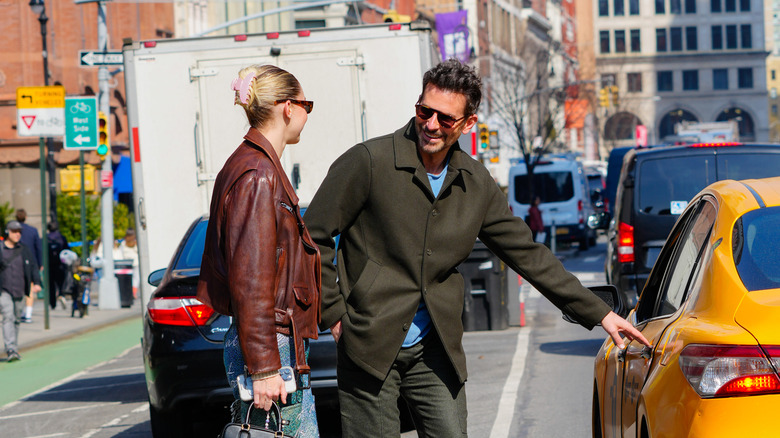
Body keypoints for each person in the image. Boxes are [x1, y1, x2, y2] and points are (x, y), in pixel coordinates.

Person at [303, 59, 650, 437]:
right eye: (425, 111)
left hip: (435, 349)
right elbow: (312, 235)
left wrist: (599, 313)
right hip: (367, 345)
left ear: (469, 124)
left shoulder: (475, 182)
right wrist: (334, 315)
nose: (431, 124)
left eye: (445, 119)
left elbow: (527, 254)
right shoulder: (368, 162)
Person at [196, 64, 321, 436]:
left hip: (272, 341)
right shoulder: (258, 173)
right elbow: (250, 278)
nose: (305, 114)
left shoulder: (253, 164)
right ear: (287, 108)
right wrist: (265, 366)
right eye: (306, 105)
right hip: (272, 346)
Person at [0, 221, 42, 362]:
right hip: (4, 290)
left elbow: (33, 266)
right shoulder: (0, 249)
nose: (17, 234)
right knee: (8, 316)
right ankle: (10, 348)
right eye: (14, 231)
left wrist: (36, 282)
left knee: (17, 318)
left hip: (19, 289)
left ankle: (14, 347)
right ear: (7, 232)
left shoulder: (24, 249)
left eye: (19, 232)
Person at [15, 209, 42, 323]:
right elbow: (38, 248)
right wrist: (40, 263)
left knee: (19, 288)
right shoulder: (32, 231)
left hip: (16, 261)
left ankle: (20, 312)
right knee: (29, 289)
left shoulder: (13, 231)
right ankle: (28, 314)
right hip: (31, 262)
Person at [46, 222, 70, 309]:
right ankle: (61, 294)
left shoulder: (45, 238)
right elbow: (67, 250)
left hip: (49, 264)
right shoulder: (61, 238)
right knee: (61, 282)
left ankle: (52, 303)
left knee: (51, 285)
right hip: (60, 264)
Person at [117, 229, 139, 297]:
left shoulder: (123, 243)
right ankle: (133, 292)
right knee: (136, 278)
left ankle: (131, 292)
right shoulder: (136, 243)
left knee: (129, 279)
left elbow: (120, 253)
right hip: (135, 263)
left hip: (126, 263)